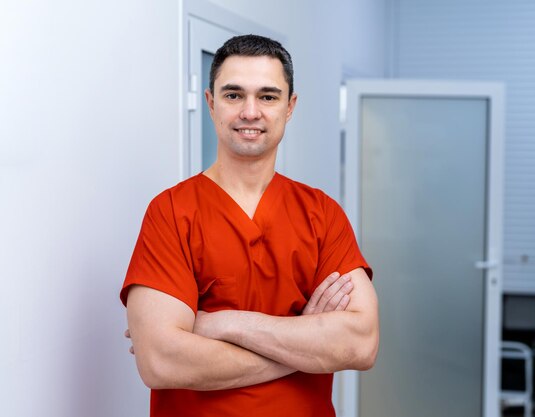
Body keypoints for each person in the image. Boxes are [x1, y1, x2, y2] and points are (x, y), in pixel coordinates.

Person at [120, 34, 379, 417]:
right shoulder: (171, 212)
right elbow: (161, 361)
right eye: (233, 95)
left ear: (290, 107)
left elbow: (360, 345)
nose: (250, 111)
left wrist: (222, 324)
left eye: (268, 96)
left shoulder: (322, 215)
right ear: (211, 103)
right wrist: (305, 346)